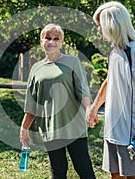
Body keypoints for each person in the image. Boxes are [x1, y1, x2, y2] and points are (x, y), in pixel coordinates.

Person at [86, 1, 135, 179]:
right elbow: (109, 81)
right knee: (115, 176)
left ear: (111, 24)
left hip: (130, 132)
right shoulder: (115, 51)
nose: (98, 29)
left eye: (100, 25)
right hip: (112, 130)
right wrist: (94, 107)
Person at [19, 23, 96, 179]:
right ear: (41, 41)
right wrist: (24, 128)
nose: (51, 42)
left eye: (56, 38)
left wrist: (89, 110)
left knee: (84, 168)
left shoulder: (73, 62)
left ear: (61, 43)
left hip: (74, 127)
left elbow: (83, 91)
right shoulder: (36, 68)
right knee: (58, 170)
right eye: (47, 38)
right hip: (50, 128)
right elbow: (32, 103)